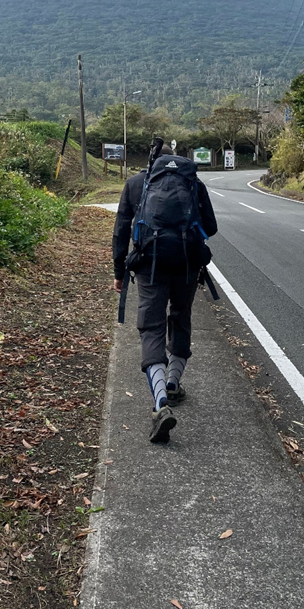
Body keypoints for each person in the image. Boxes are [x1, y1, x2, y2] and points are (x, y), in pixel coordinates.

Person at [112, 143, 218, 443]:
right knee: (180, 317)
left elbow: (121, 230)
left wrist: (119, 273)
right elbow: (210, 226)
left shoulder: (135, 184)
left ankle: (160, 402)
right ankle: (173, 382)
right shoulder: (193, 183)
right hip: (186, 264)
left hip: (149, 266)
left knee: (152, 327)